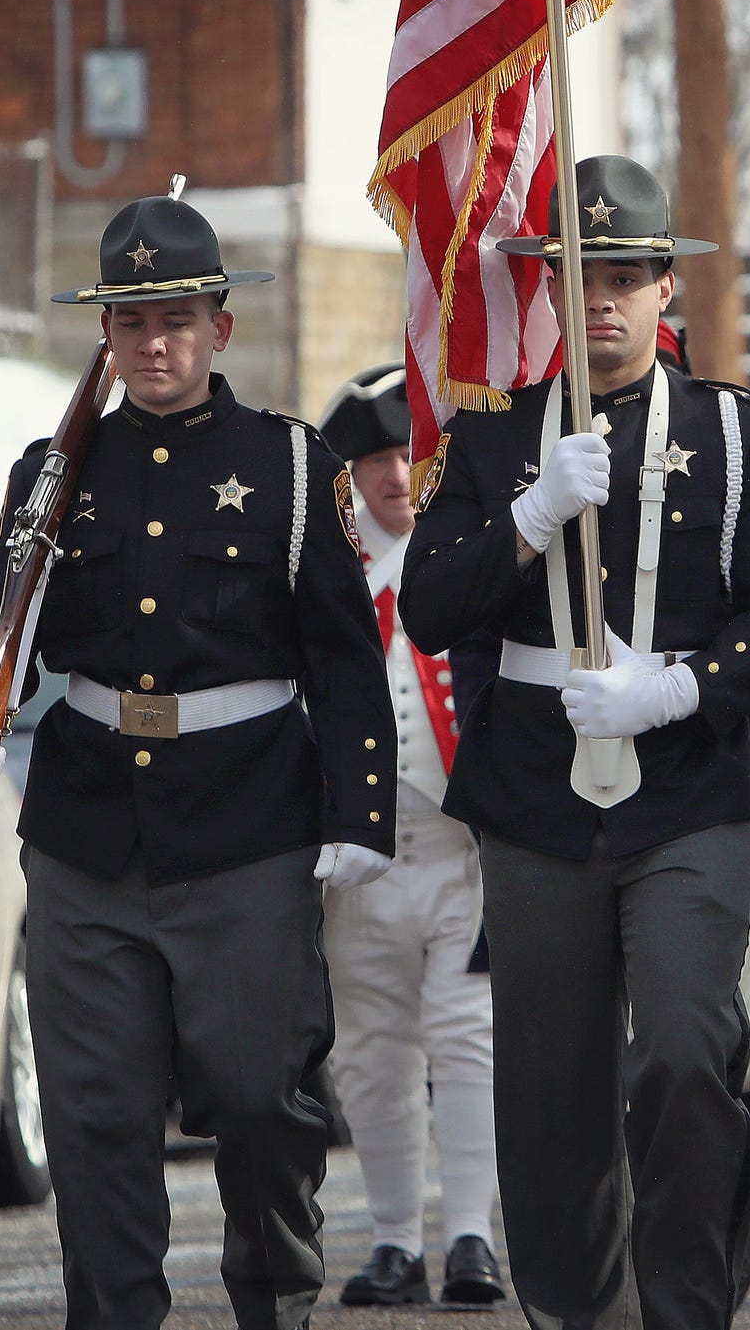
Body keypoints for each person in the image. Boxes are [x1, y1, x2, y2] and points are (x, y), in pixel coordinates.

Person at [0, 186, 396, 1330]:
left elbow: (345, 661)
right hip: (89, 836)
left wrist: (359, 815)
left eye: (177, 316)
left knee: (257, 1101)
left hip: (248, 827)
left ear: (220, 325)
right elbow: (1, 625)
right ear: (104, 333)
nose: (154, 341)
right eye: (131, 320)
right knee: (95, 1121)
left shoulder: (292, 469)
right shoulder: (55, 469)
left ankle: (273, 1302)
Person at [400, 155, 750, 1329]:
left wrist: (682, 689)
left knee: (690, 1051)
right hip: (538, 796)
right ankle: (573, 1311)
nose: (602, 301)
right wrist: (528, 519)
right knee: (551, 1094)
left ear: (662, 294)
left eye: (625, 277)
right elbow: (430, 606)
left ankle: (685, 1304)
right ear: (545, 288)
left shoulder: (736, 435)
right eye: (578, 277)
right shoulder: (492, 443)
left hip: (686, 786)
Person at [312, 366, 505, 1309]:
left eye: (409, 456)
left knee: (469, 1037)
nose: (396, 476)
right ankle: (394, 1238)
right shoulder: (324, 578)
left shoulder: (457, 563)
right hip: (361, 854)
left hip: (459, 846)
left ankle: (471, 1233)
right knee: (372, 1047)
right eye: (377, 459)